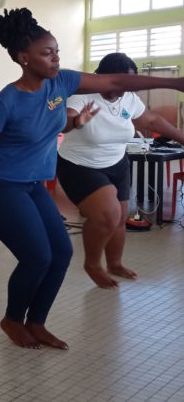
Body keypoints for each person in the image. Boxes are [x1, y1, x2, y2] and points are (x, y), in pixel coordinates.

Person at [0, 7, 184, 350]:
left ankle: (37, 322)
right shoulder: (7, 101)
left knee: (61, 252)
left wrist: (173, 83)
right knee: (37, 256)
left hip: (31, 184)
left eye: (57, 51)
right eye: (47, 53)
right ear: (24, 57)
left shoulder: (62, 82)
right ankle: (13, 320)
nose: (55, 58)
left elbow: (115, 82)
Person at [58, 52, 184, 288]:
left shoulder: (128, 98)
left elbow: (151, 120)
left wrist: (181, 137)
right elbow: (65, 120)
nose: (126, 89)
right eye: (123, 82)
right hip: (80, 165)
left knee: (120, 217)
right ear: (105, 77)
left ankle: (114, 263)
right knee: (107, 214)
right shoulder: (82, 95)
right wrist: (76, 122)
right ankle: (92, 264)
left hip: (116, 163)